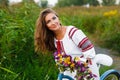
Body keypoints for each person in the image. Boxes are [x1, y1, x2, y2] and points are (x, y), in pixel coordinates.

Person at [34, 8, 101, 80]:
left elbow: (87, 46)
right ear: (46, 26)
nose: (53, 22)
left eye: (54, 18)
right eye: (48, 21)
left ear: (58, 18)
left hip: (85, 67)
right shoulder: (52, 39)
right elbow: (59, 56)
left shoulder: (72, 32)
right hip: (70, 71)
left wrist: (86, 62)